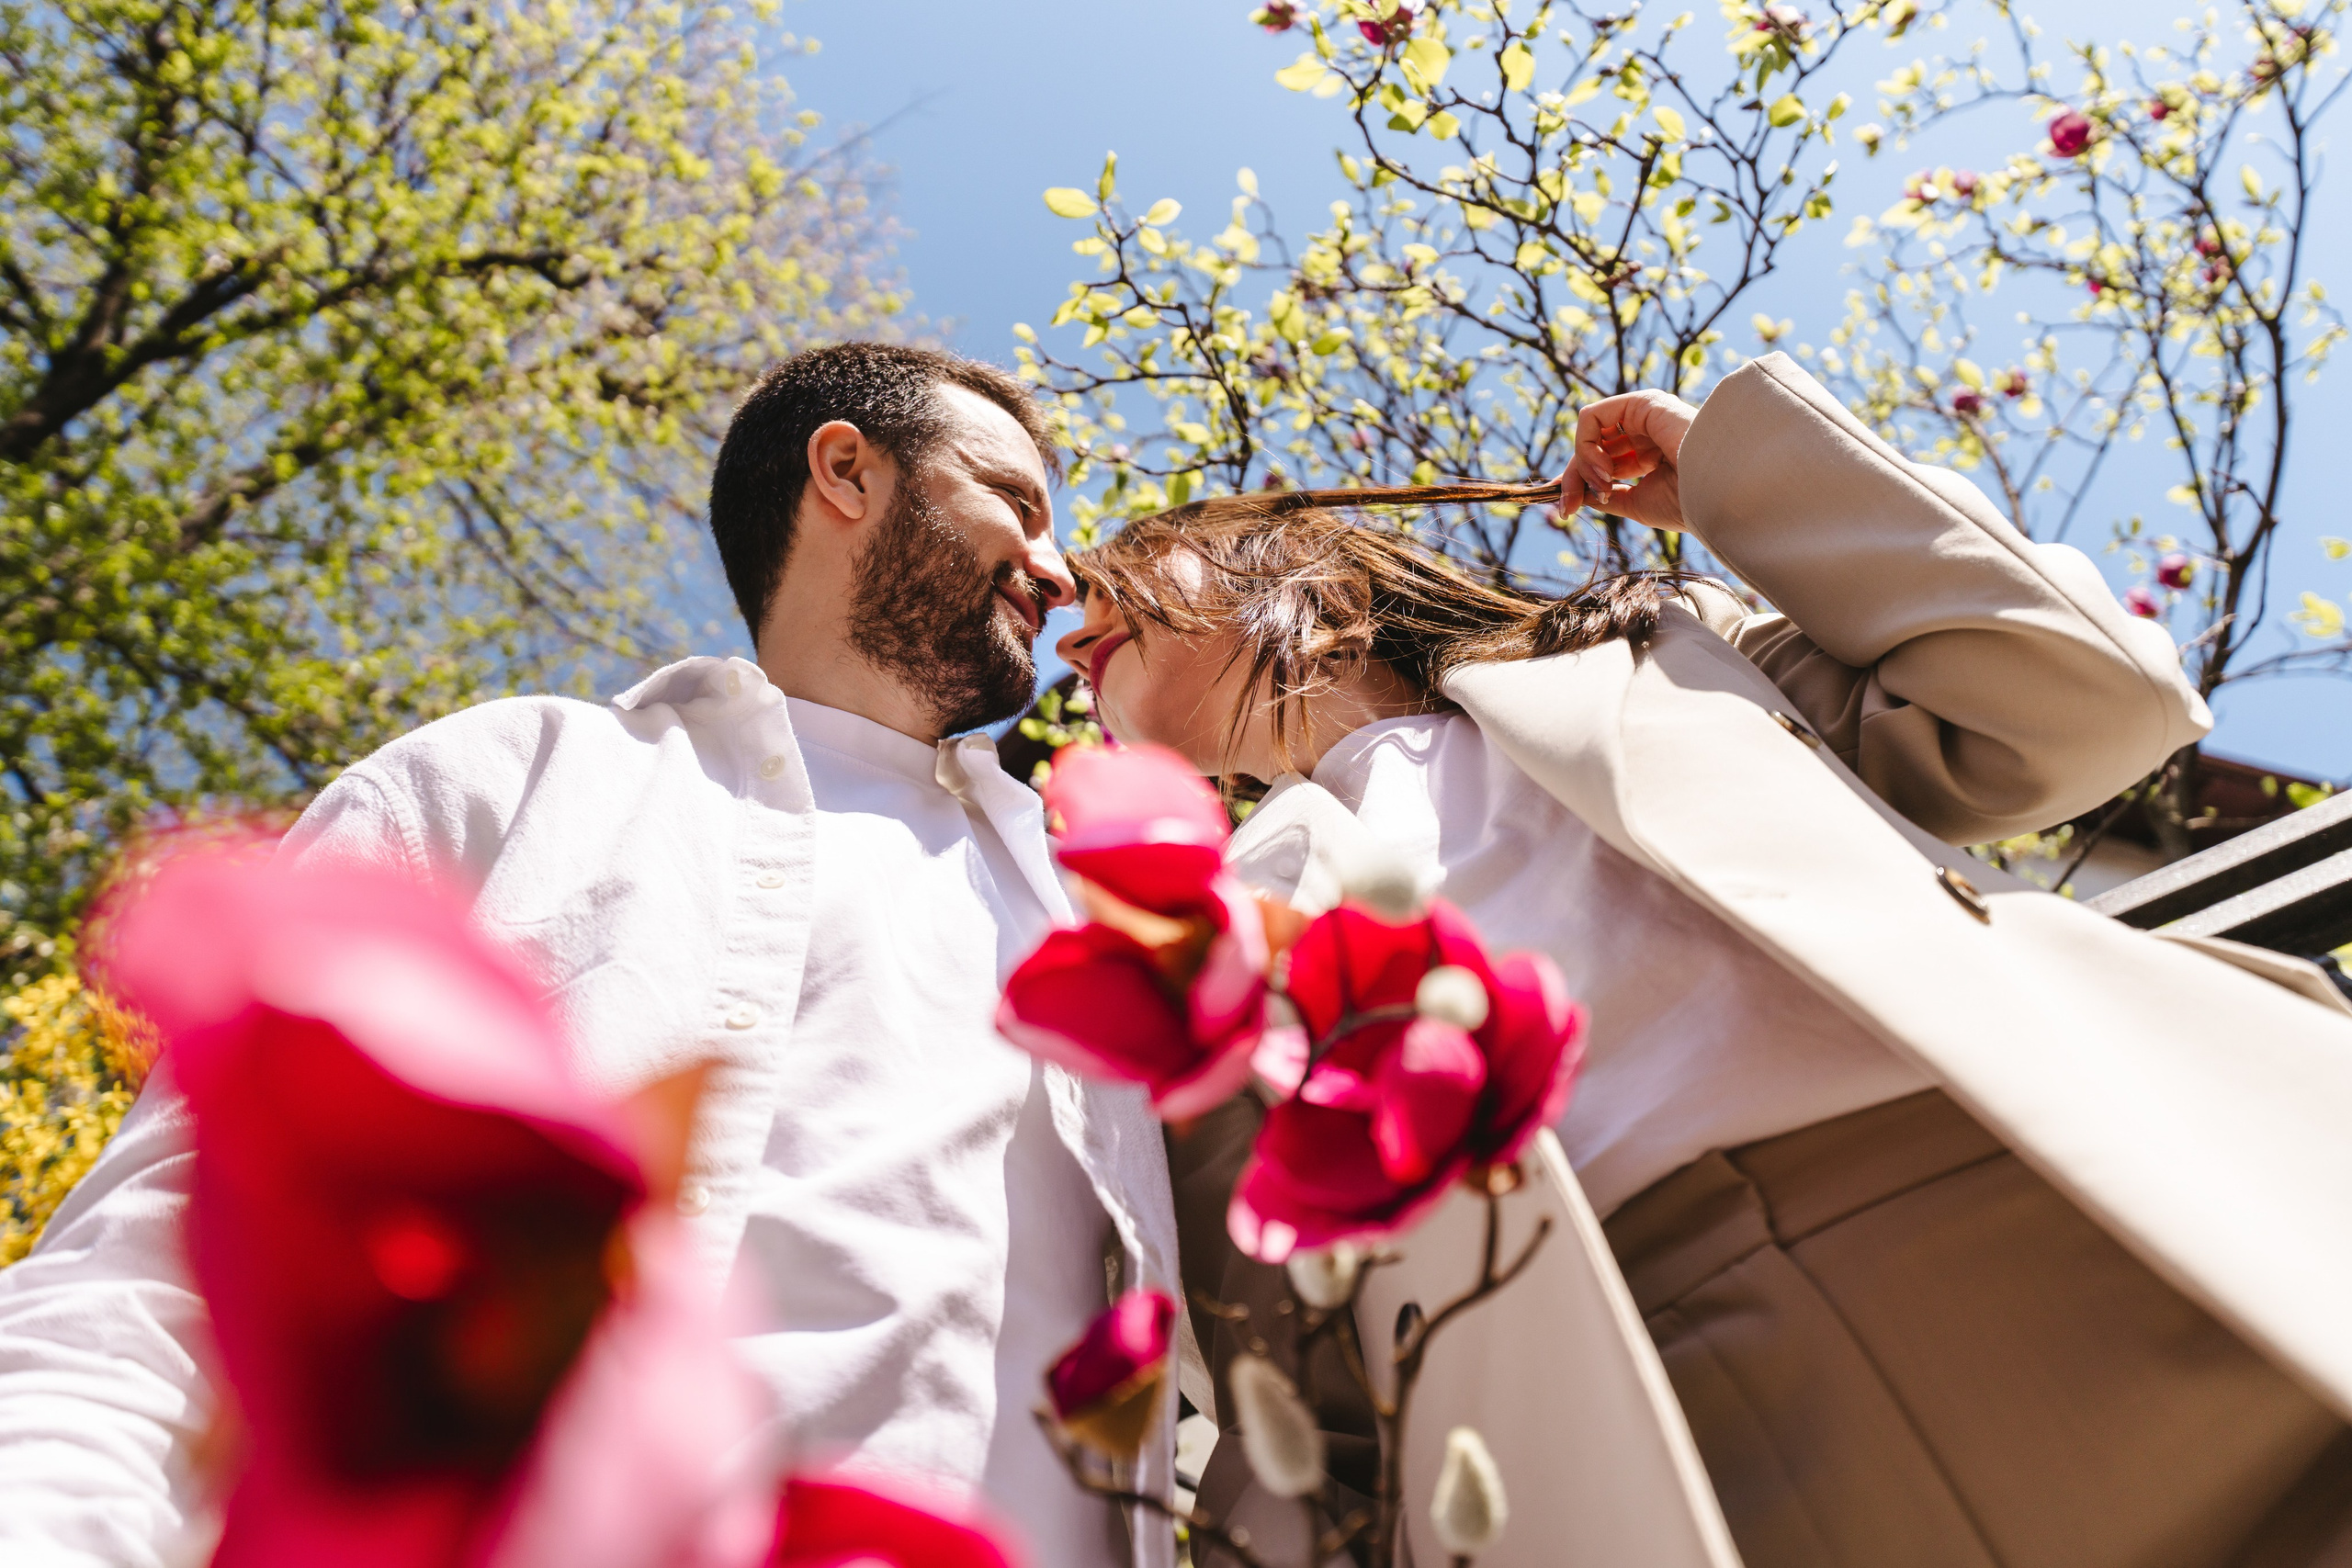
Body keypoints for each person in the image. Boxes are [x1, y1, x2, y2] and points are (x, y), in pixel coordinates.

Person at [1056, 353, 2352, 1567]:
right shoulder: (1196, 924)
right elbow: (1276, 1337)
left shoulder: (1668, 660)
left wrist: (1736, 473)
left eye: (1122, 578)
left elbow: (2090, 694)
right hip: (1639, 1406)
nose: (1067, 636)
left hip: (2049, 1184)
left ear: (1311, 591)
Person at [0, 343, 1187, 1568]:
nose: (1057, 572)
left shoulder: (1101, 926)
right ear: (847, 471)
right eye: (1021, 504)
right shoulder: (505, 780)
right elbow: (163, 1266)